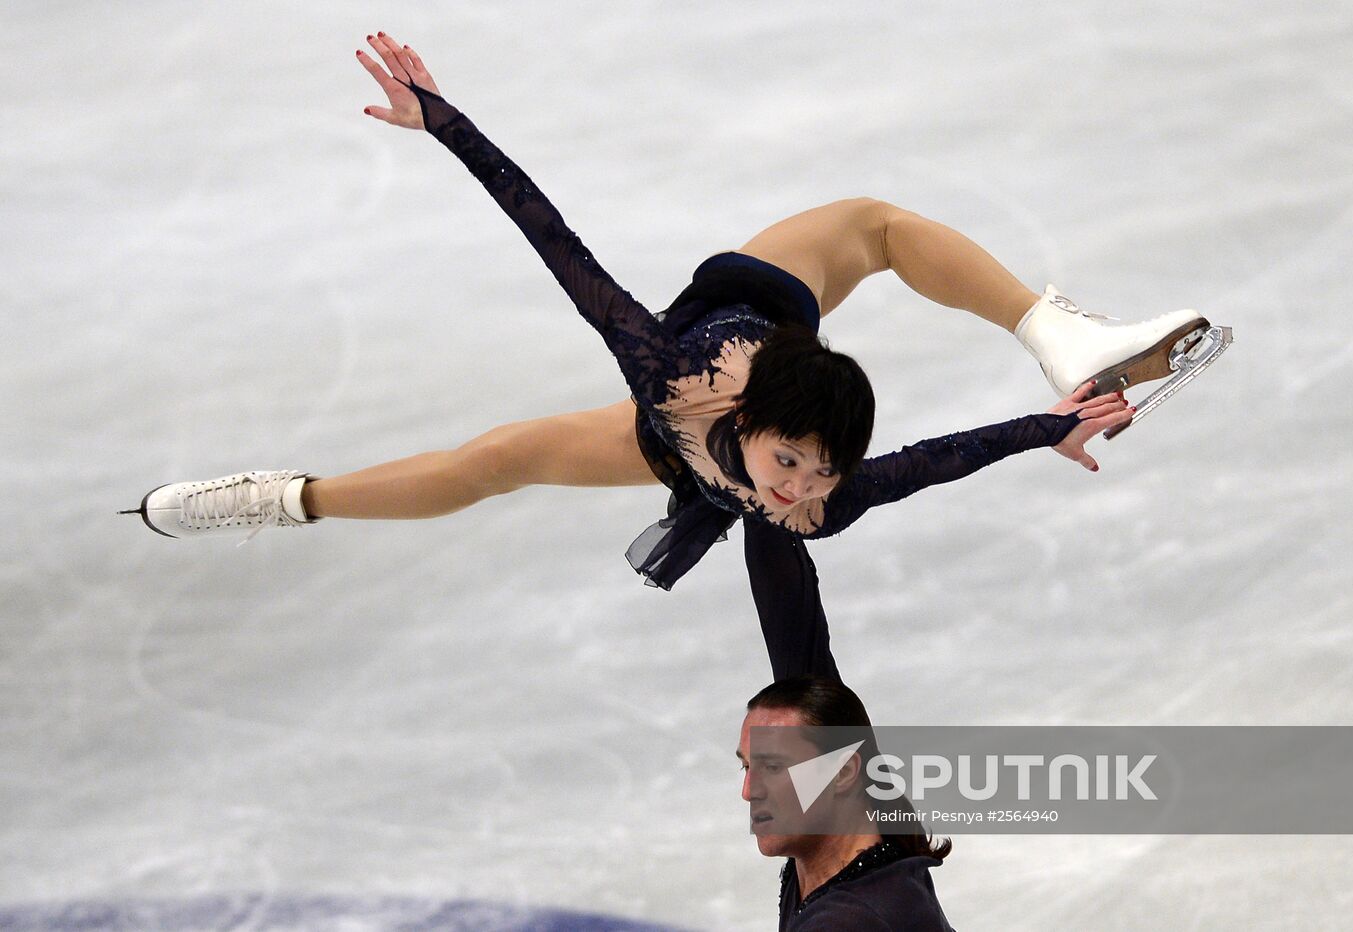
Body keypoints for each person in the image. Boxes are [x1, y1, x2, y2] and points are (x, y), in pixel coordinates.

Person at [125, 33, 1215, 596]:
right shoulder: (666, 372)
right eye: (792, 467)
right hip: (750, 304)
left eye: (814, 478)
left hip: (726, 431)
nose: (797, 494)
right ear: (754, 432)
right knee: (869, 227)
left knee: (506, 463)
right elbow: (553, 238)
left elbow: (931, 458)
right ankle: (279, 497)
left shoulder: (816, 501)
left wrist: (1050, 426)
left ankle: (1052, 337)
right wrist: (444, 121)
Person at [738, 676, 956, 930]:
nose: (748, 792)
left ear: (843, 772)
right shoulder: (875, 837)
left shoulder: (849, 920)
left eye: (774, 767)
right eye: (746, 766)